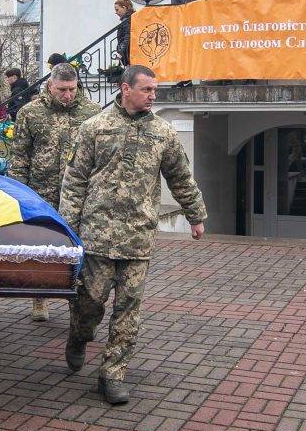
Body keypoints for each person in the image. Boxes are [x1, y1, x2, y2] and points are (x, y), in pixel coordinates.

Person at [60, 65, 207, 405]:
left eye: (155, 90)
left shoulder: (162, 133)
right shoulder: (94, 128)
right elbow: (75, 181)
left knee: (129, 310)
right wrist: (68, 227)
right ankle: (78, 337)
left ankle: (113, 374)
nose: (153, 96)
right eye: (147, 90)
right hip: (97, 236)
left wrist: (196, 215)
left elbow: (180, 177)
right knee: (89, 303)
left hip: (138, 237)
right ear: (126, 89)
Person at [9, 63, 101, 322]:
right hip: (41, 192)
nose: (68, 95)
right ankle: (40, 297)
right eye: (62, 89)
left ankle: (78, 306)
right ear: (50, 85)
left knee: (80, 248)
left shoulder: (92, 113)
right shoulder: (30, 113)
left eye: (72, 89)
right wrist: (20, 194)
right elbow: (20, 156)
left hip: (80, 194)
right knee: (43, 248)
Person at [114, 0, 134, 66]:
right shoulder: (130, 18)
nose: (116, 12)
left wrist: (120, 52)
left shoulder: (126, 20)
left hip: (126, 53)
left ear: (124, 8)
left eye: (117, 9)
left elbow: (127, 36)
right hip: (126, 51)